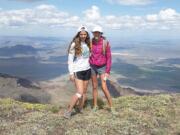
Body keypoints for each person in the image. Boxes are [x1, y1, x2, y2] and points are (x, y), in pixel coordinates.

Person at [63, 26, 91, 119]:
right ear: (78, 34)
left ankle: (80, 108)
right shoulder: (74, 44)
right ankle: (69, 111)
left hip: (87, 69)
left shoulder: (88, 43)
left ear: (87, 35)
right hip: (78, 70)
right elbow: (70, 60)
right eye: (81, 34)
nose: (83, 36)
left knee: (84, 92)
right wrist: (71, 73)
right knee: (79, 92)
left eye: (85, 34)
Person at [89, 25, 116, 114]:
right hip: (93, 66)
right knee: (95, 87)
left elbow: (109, 57)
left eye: (98, 32)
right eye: (94, 32)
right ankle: (95, 106)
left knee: (104, 88)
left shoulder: (105, 43)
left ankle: (112, 107)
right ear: (93, 33)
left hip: (102, 67)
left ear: (101, 33)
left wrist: (107, 71)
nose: (96, 34)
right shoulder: (90, 42)